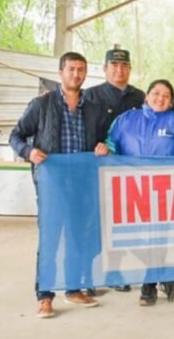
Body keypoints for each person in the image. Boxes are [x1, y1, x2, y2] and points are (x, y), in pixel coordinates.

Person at [9, 52, 110, 319]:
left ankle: (74, 288)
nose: (76, 74)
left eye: (81, 70)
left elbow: (102, 142)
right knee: (51, 240)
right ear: (60, 72)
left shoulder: (93, 108)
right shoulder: (42, 104)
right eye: (71, 69)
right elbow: (16, 135)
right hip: (52, 184)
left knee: (78, 238)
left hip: (82, 184)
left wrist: (103, 147)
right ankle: (45, 296)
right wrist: (29, 152)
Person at [106, 79, 174, 307]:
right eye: (156, 93)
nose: (160, 98)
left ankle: (151, 285)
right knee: (142, 239)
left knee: (164, 238)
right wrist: (104, 149)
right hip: (136, 191)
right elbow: (112, 145)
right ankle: (160, 278)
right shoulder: (125, 120)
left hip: (170, 190)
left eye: (166, 96)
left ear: (170, 102)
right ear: (146, 96)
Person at [83, 45, 144, 293]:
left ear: (130, 69)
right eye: (114, 65)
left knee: (121, 223)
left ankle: (115, 271)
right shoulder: (91, 95)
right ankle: (87, 277)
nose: (119, 70)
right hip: (98, 169)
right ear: (104, 68)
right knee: (94, 224)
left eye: (124, 65)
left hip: (130, 173)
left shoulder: (140, 97)